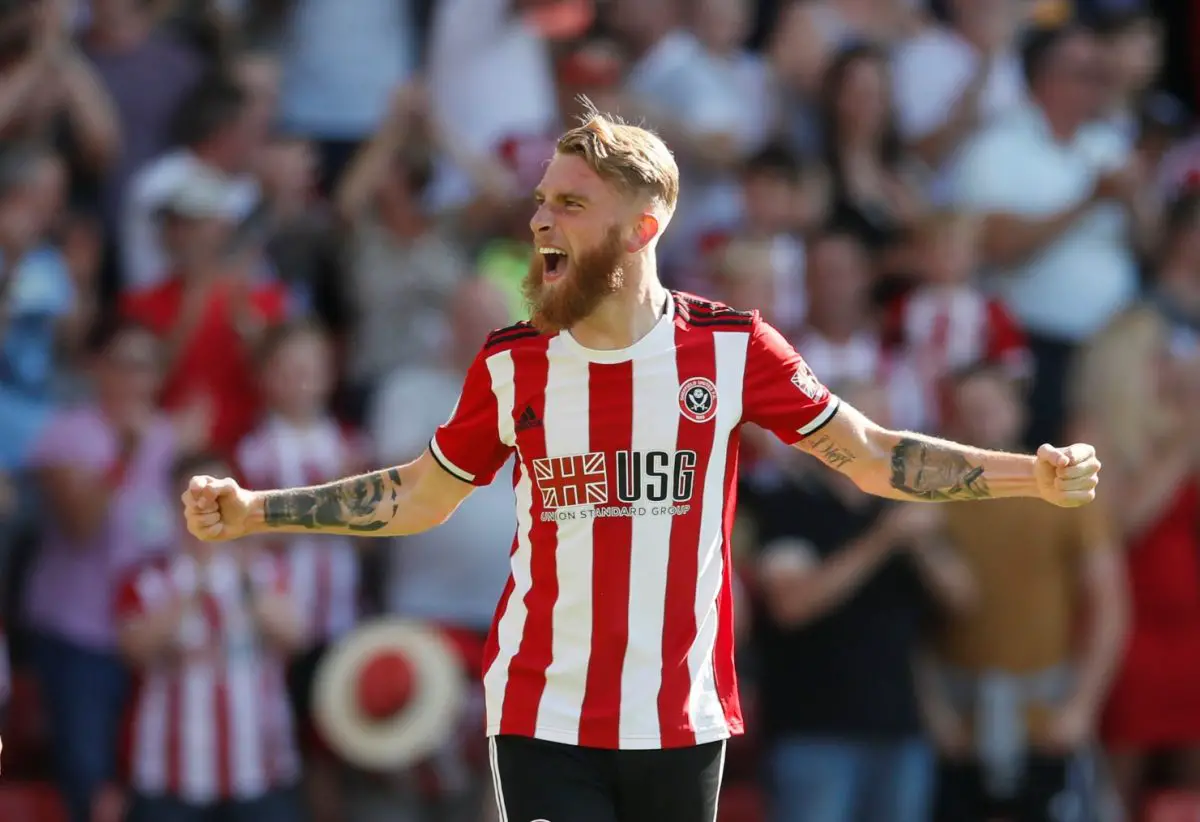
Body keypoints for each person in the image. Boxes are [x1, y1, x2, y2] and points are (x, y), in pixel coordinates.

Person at [180, 105, 1102, 822]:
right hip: (542, 711)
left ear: (641, 227)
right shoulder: (513, 362)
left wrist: (1030, 474)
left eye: (568, 204)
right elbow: (418, 496)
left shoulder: (732, 349)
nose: (539, 220)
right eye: (541, 200)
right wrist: (259, 510)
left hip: (680, 718)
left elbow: (867, 457)